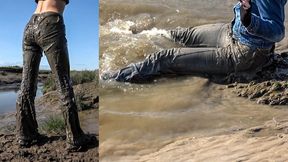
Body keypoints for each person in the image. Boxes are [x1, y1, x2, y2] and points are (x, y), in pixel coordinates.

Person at [102, 0, 287, 83]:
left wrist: (249, 20)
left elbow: (277, 31)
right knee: (180, 35)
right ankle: (138, 34)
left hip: (244, 53)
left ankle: (111, 79)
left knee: (164, 57)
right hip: (230, 32)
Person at [16, 0, 96, 150]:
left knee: (26, 85)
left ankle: (25, 135)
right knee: (63, 83)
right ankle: (75, 138)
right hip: (50, 22)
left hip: (30, 25)